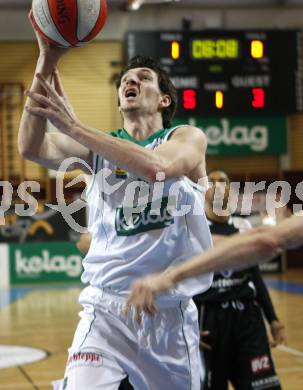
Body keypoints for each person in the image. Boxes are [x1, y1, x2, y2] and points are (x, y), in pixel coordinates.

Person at [19, 14, 214, 390]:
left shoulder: (188, 137)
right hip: (105, 309)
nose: (130, 80)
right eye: (126, 79)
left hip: (166, 314)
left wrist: (75, 126)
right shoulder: (98, 150)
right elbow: (30, 146)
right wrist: (48, 57)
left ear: (164, 99)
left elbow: (159, 167)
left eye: (143, 78)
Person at [194, 170, 285, 389]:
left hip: (247, 319)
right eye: (211, 181)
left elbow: (255, 275)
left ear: (230, 190)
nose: (216, 185)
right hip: (211, 321)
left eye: (222, 181)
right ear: (204, 191)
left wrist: (273, 319)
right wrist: (191, 327)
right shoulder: (195, 230)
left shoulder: (243, 228)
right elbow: (184, 284)